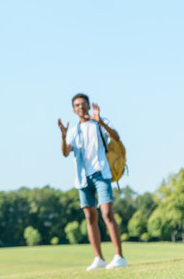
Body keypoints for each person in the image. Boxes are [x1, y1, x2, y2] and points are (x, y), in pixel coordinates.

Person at [58, 93, 128, 271]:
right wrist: (63, 136)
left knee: (107, 213)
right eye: (77, 105)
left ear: (89, 106)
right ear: (73, 110)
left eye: (83, 104)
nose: (80, 107)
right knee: (90, 217)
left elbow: (116, 137)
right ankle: (99, 258)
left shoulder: (99, 122)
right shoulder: (73, 131)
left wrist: (100, 121)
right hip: (82, 178)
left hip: (101, 173)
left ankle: (119, 256)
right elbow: (66, 153)